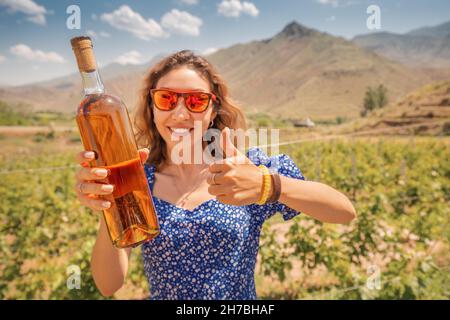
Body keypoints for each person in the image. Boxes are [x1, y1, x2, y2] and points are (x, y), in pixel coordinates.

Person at [74, 50, 356, 299]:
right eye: (167, 98)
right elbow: (109, 285)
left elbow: (344, 212)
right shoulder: (138, 183)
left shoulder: (243, 170)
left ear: (213, 110)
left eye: (196, 101)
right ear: (152, 107)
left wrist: (266, 185)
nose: (180, 113)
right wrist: (109, 208)